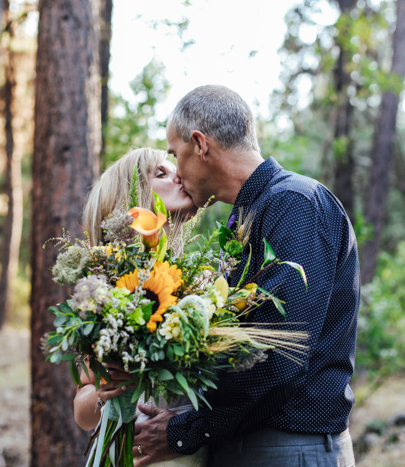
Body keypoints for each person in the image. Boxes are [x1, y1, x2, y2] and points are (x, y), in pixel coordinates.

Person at [131, 85, 359, 467]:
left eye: (176, 154)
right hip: (248, 444)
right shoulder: (252, 214)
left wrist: (188, 430)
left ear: (201, 144)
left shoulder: (294, 204)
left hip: (287, 446)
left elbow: (278, 355)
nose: (177, 173)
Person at [72, 147, 207, 467]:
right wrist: (107, 389)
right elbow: (82, 409)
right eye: (160, 173)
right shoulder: (109, 292)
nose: (179, 175)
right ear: (130, 198)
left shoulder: (203, 282)